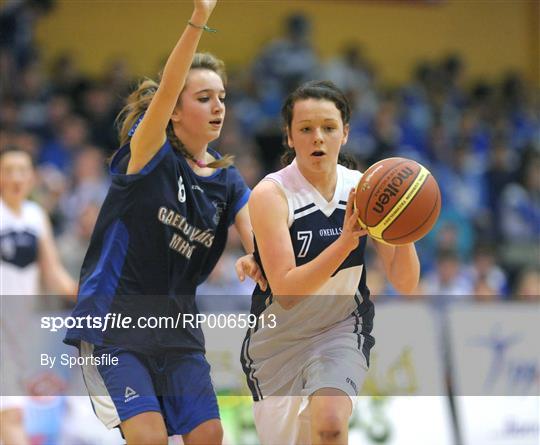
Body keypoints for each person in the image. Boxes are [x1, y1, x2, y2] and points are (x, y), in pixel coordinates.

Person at [63, 1, 265, 444]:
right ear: (174, 109)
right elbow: (171, 83)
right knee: (150, 438)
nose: (218, 107)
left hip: (178, 333)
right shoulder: (151, 153)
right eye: (204, 97)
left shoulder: (228, 181)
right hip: (115, 328)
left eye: (222, 98)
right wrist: (198, 20)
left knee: (210, 434)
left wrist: (258, 260)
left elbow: (257, 236)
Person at [241, 80, 420, 445]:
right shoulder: (271, 194)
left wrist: (407, 224)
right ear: (289, 137)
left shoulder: (366, 190)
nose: (317, 138)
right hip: (278, 343)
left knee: (331, 425)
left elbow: (405, 282)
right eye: (305, 129)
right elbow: (287, 291)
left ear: (346, 133)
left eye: (328, 127)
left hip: (340, 329)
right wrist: (345, 243)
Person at [0, 146, 77, 445]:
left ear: (32, 178)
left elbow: (53, 272)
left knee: (12, 412)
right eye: (8, 171)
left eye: (22, 170)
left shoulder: (35, 216)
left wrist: (85, 295)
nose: (16, 177)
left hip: (23, 327)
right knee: (11, 415)